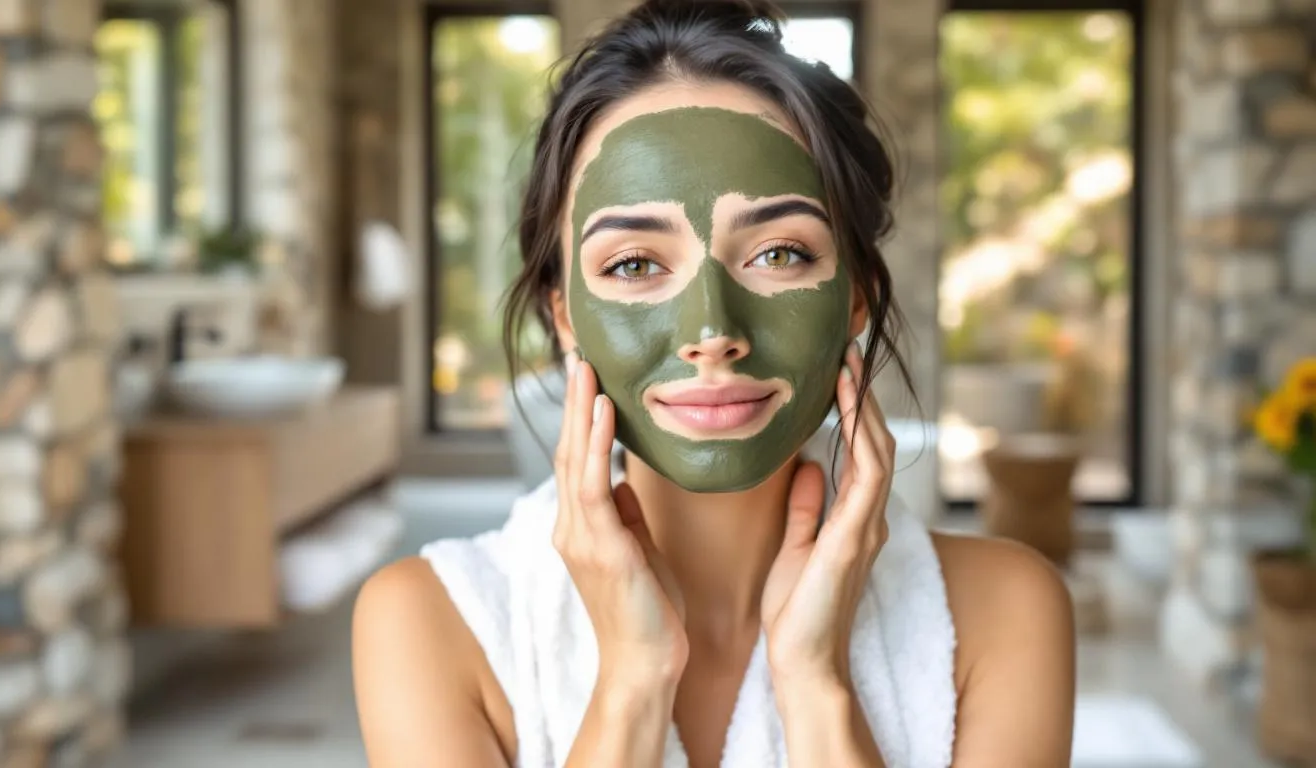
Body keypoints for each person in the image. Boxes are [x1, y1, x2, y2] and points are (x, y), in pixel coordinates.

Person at [353, 0, 1075, 765]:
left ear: (856, 294)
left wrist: (816, 684)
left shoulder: (1005, 615)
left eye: (778, 253)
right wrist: (632, 684)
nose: (712, 333)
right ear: (564, 315)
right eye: (633, 264)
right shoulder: (431, 624)